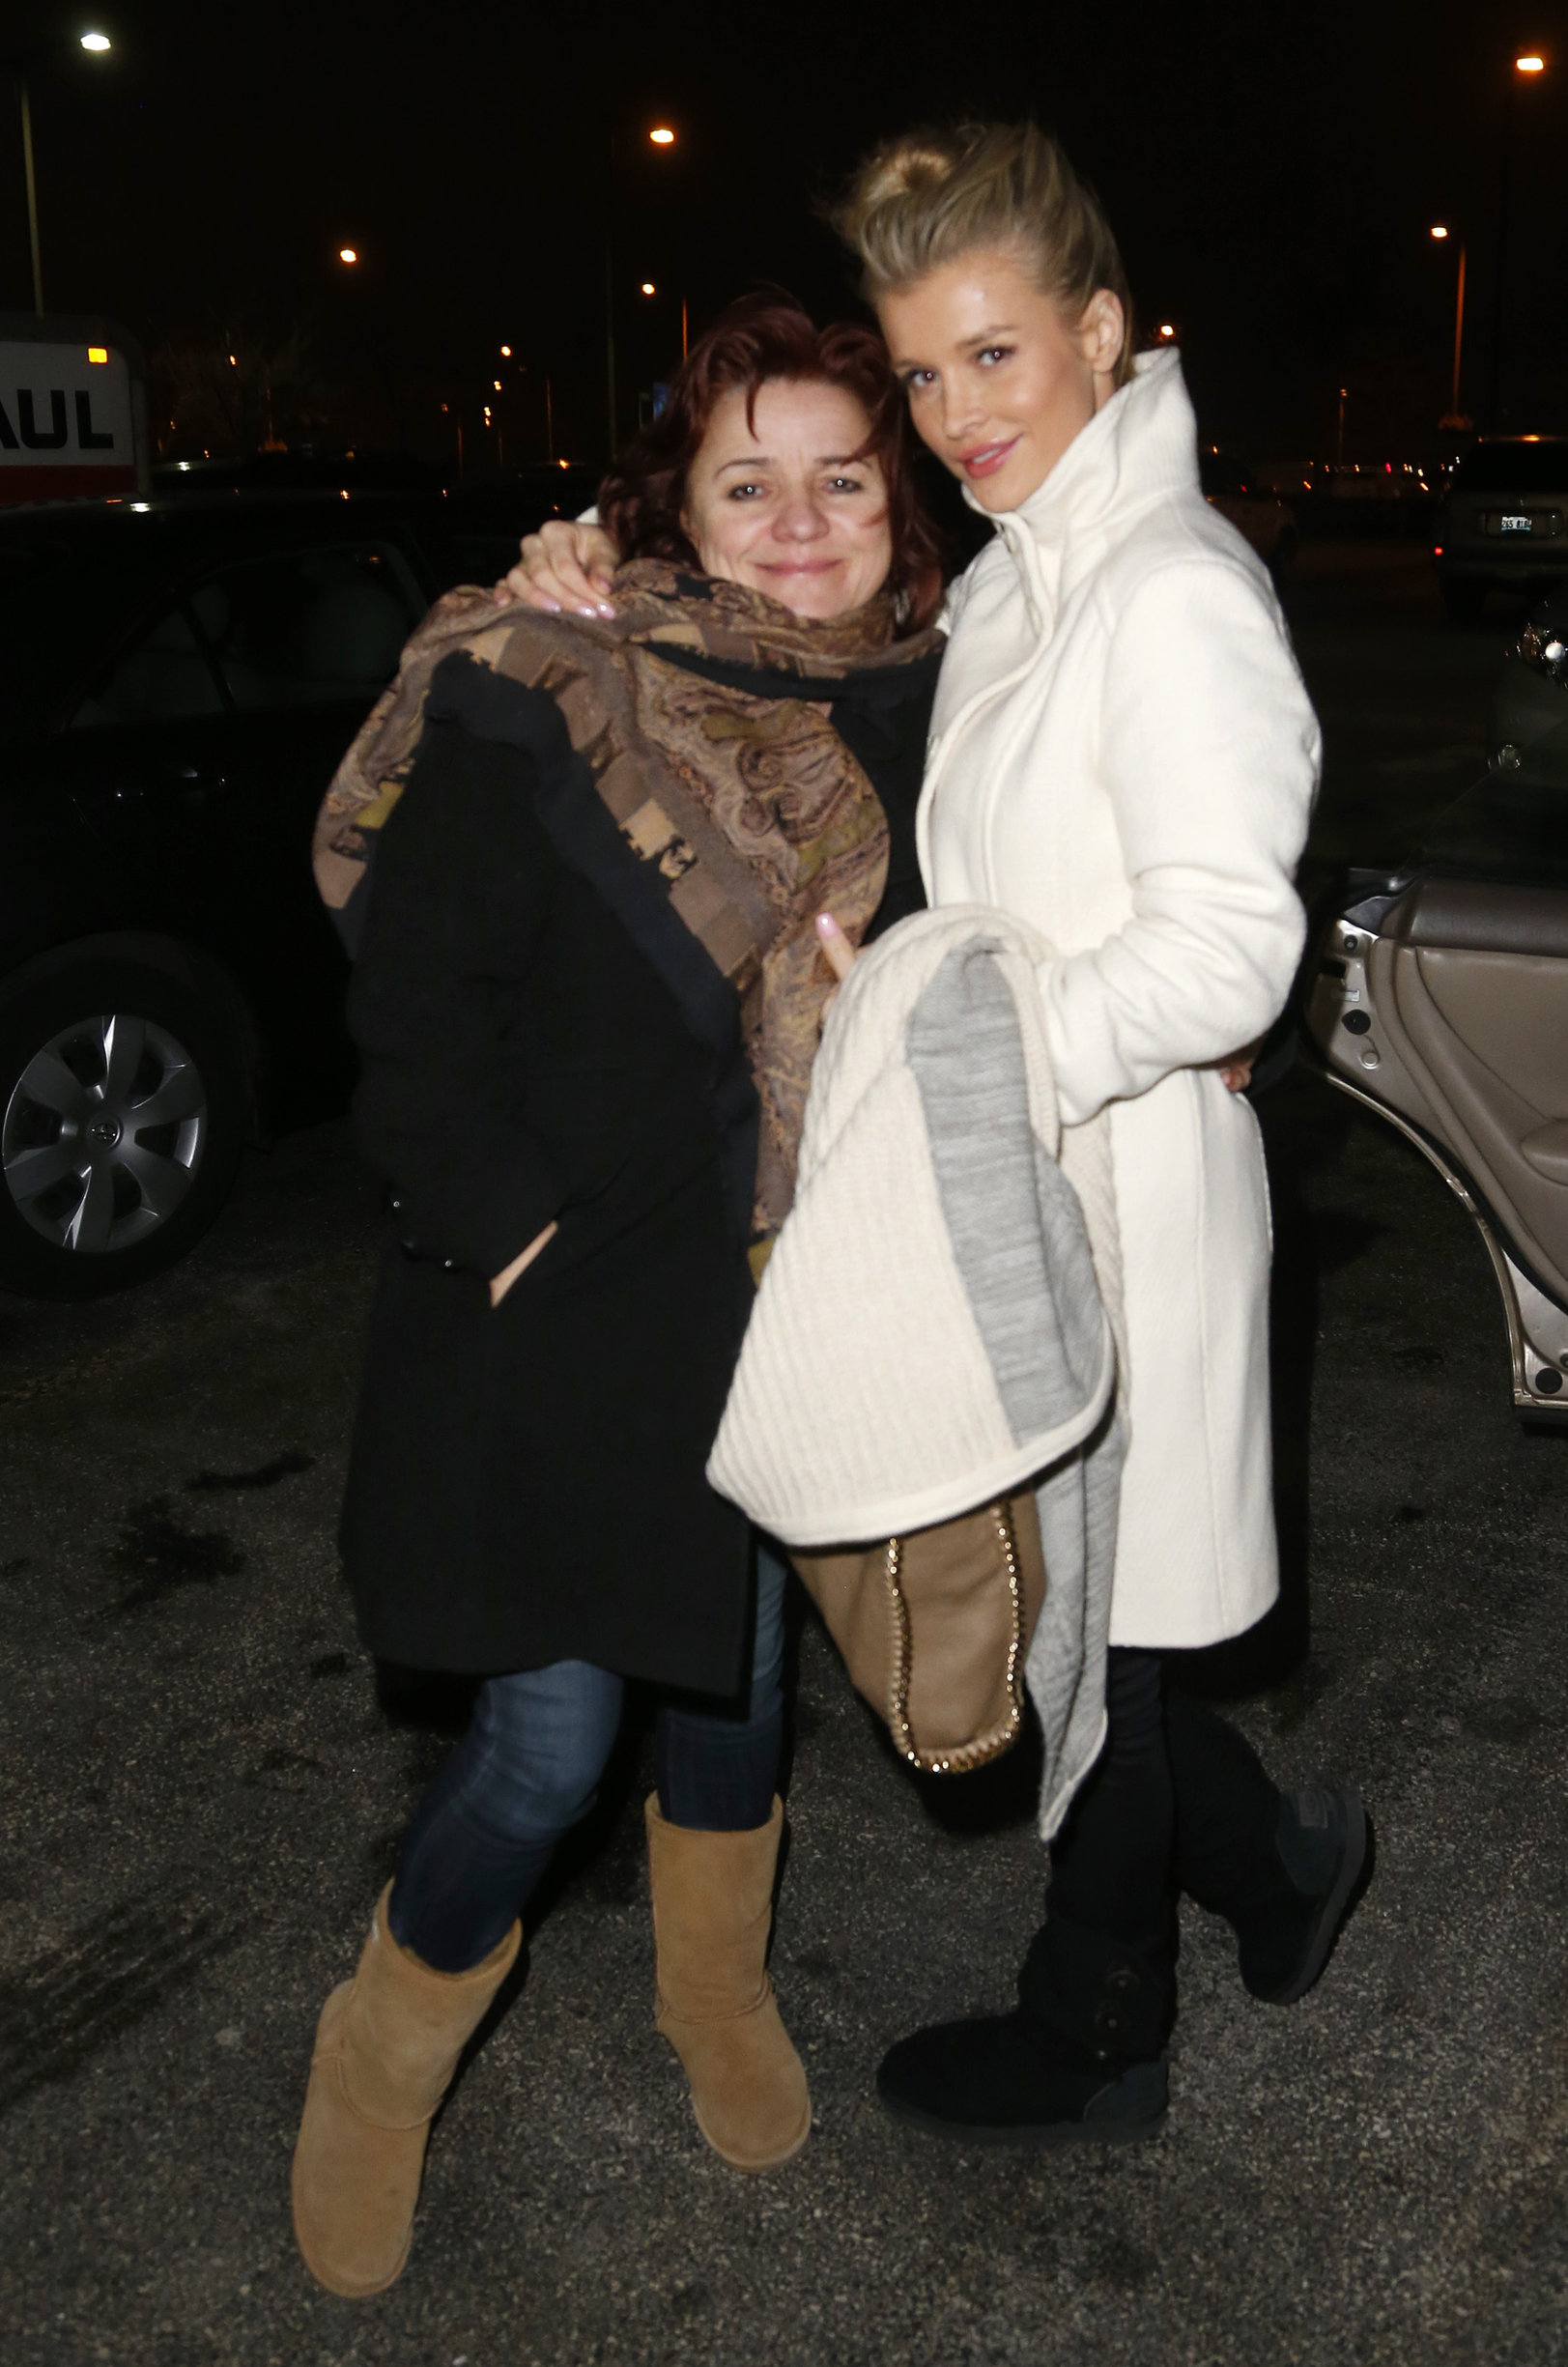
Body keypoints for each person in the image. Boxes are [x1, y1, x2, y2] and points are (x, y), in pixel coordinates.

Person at [504, 124, 1369, 2151]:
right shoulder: (1017, 575)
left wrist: (994, 1045)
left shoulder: (1164, 588)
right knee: (1102, 1614)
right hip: (1034, 1182)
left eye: (991, 356)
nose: (952, 414)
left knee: (1106, 1642)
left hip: (1118, 1190)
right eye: (919, 371)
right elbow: (871, 751)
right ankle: (1276, 1869)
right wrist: (581, 582)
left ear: (1094, 332)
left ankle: (1097, 2035)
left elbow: (1230, 949)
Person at [291, 297, 947, 2299]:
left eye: (841, 475)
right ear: (674, 500)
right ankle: (380, 2053)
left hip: (780, 1302)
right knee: (548, 1745)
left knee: (737, 1686)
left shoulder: (925, 693)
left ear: (892, 498)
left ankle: (712, 1997)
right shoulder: (551, 667)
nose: (802, 516)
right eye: (749, 480)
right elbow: (409, 995)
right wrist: (503, 1229)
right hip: (566, 1308)